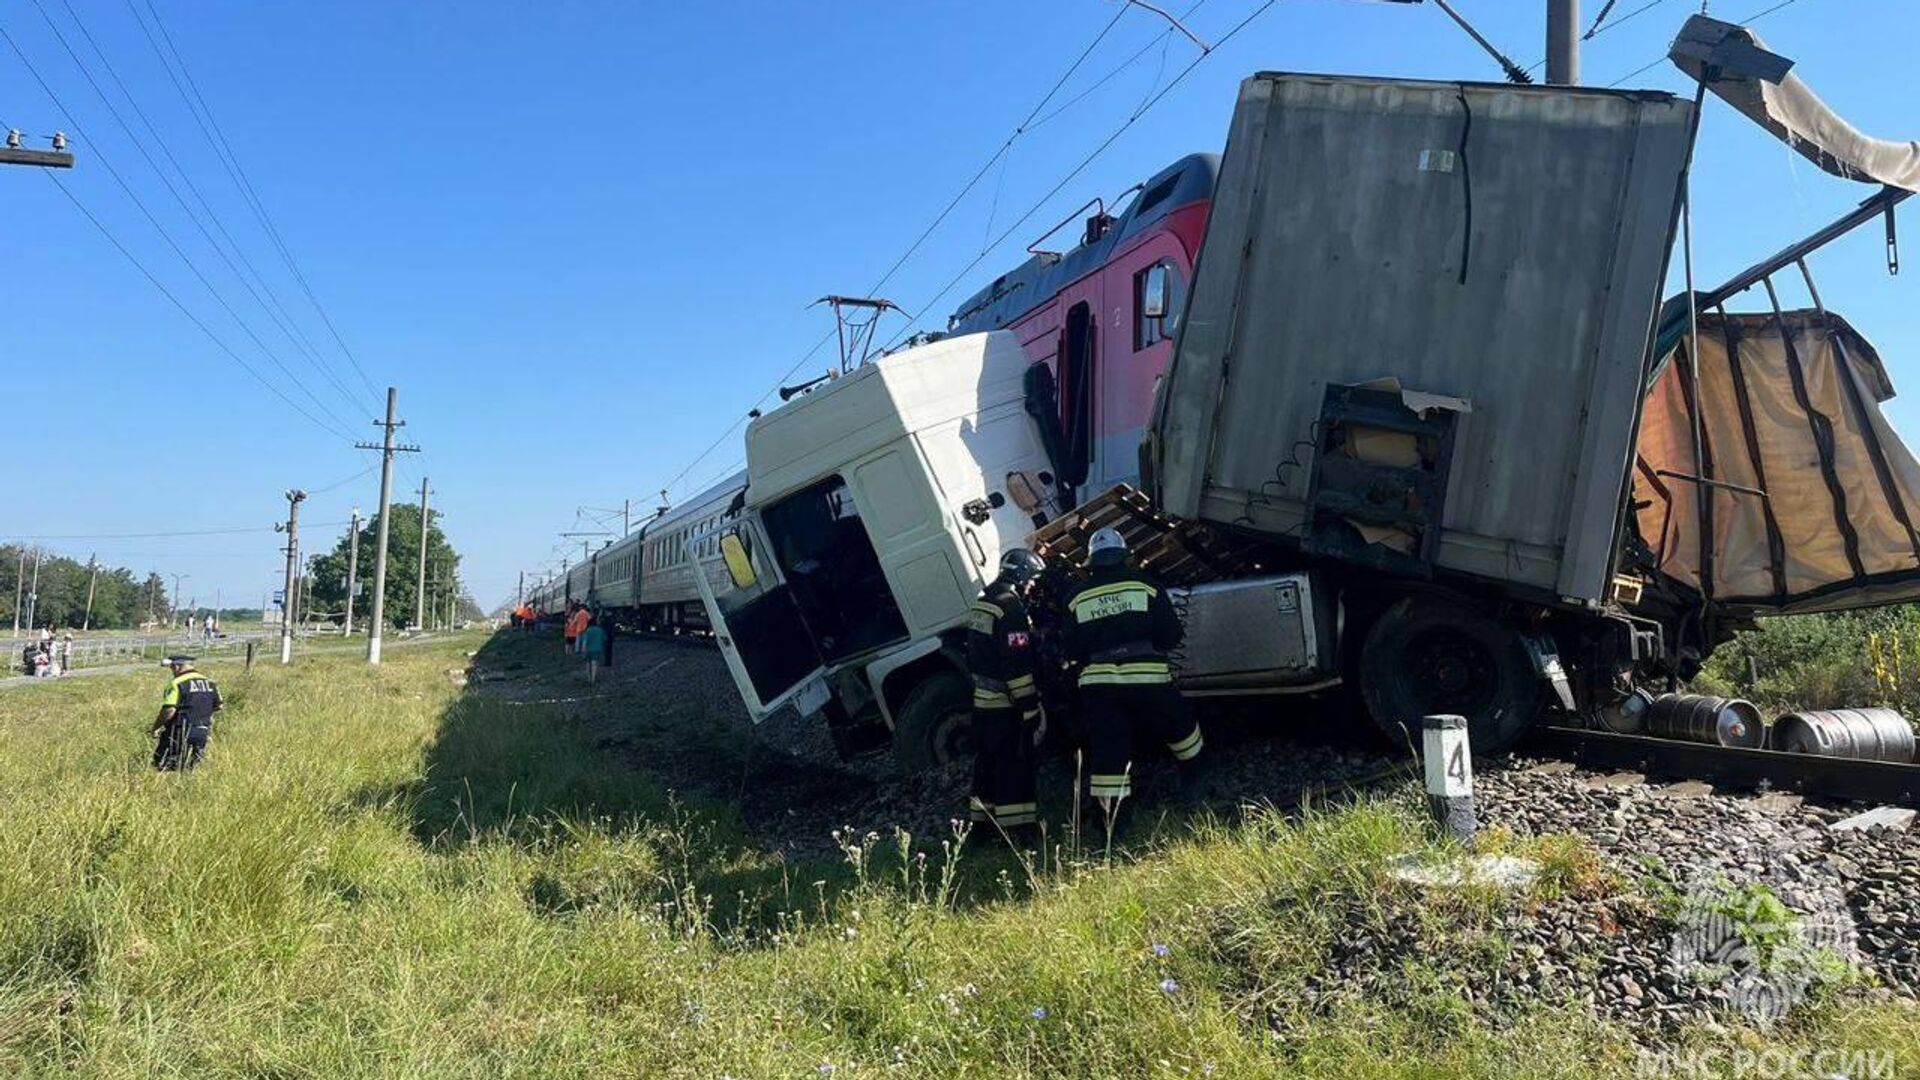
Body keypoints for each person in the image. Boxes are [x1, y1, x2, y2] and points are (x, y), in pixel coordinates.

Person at [1064, 527, 1203, 823]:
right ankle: (1196, 784)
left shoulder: (1076, 598)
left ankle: (1112, 822)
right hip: (1148, 680)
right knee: (1180, 726)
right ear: (1123, 557)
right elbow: (1171, 637)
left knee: (1108, 747)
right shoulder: (1146, 586)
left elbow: (1070, 649)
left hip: (1100, 687)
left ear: (1093, 562)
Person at [966, 548, 1049, 838]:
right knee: (1014, 765)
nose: (1033, 587)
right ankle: (1019, 830)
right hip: (1005, 706)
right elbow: (1017, 667)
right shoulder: (1010, 609)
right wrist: (1030, 707)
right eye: (1032, 580)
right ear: (1021, 576)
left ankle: (981, 826)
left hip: (982, 705)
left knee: (986, 765)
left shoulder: (983, 604)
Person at [152, 655, 221, 771]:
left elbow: (169, 710)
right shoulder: (210, 683)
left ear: (177, 667)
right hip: (202, 731)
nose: (172, 671)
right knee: (191, 767)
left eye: (172, 668)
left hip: (178, 731)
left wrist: (156, 727)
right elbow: (219, 705)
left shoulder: (176, 683)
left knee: (162, 765)